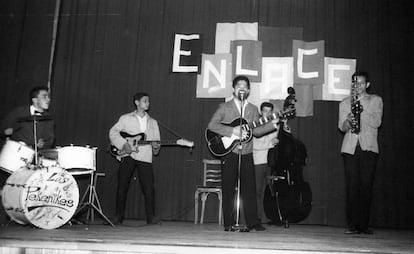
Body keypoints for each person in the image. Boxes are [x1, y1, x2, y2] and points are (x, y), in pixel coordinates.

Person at [207, 75, 276, 232]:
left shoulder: (252, 109)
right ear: (233, 89)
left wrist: (272, 125)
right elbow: (212, 125)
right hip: (229, 152)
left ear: (249, 90)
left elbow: (257, 131)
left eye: (245, 86)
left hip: (246, 153)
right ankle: (229, 222)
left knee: (249, 189)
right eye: (239, 85)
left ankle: (253, 222)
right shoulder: (224, 107)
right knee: (228, 187)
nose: (242, 88)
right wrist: (232, 130)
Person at [338, 71, 383, 234]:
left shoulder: (376, 100)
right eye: (355, 83)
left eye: (361, 83)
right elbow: (341, 127)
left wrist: (361, 111)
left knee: (366, 186)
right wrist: (348, 120)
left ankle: (363, 225)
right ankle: (352, 225)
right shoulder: (344, 103)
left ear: (367, 85)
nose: (358, 86)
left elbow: (377, 122)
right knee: (352, 186)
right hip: (350, 148)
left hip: (368, 147)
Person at [109, 92, 161, 225]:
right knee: (122, 186)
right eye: (145, 101)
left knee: (148, 187)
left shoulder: (153, 122)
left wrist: (156, 147)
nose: (147, 103)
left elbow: (157, 144)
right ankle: (118, 216)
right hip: (128, 154)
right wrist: (123, 144)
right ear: (137, 102)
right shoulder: (125, 118)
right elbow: (113, 132)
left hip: (145, 156)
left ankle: (151, 217)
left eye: (148, 101)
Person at [252, 102, 279, 223]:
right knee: (257, 191)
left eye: (269, 111)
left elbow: (275, 140)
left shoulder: (274, 125)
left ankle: (263, 216)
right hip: (258, 161)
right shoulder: (256, 125)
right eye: (264, 111)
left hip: (268, 161)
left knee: (265, 191)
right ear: (261, 112)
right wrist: (270, 144)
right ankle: (256, 217)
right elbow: (255, 144)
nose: (267, 114)